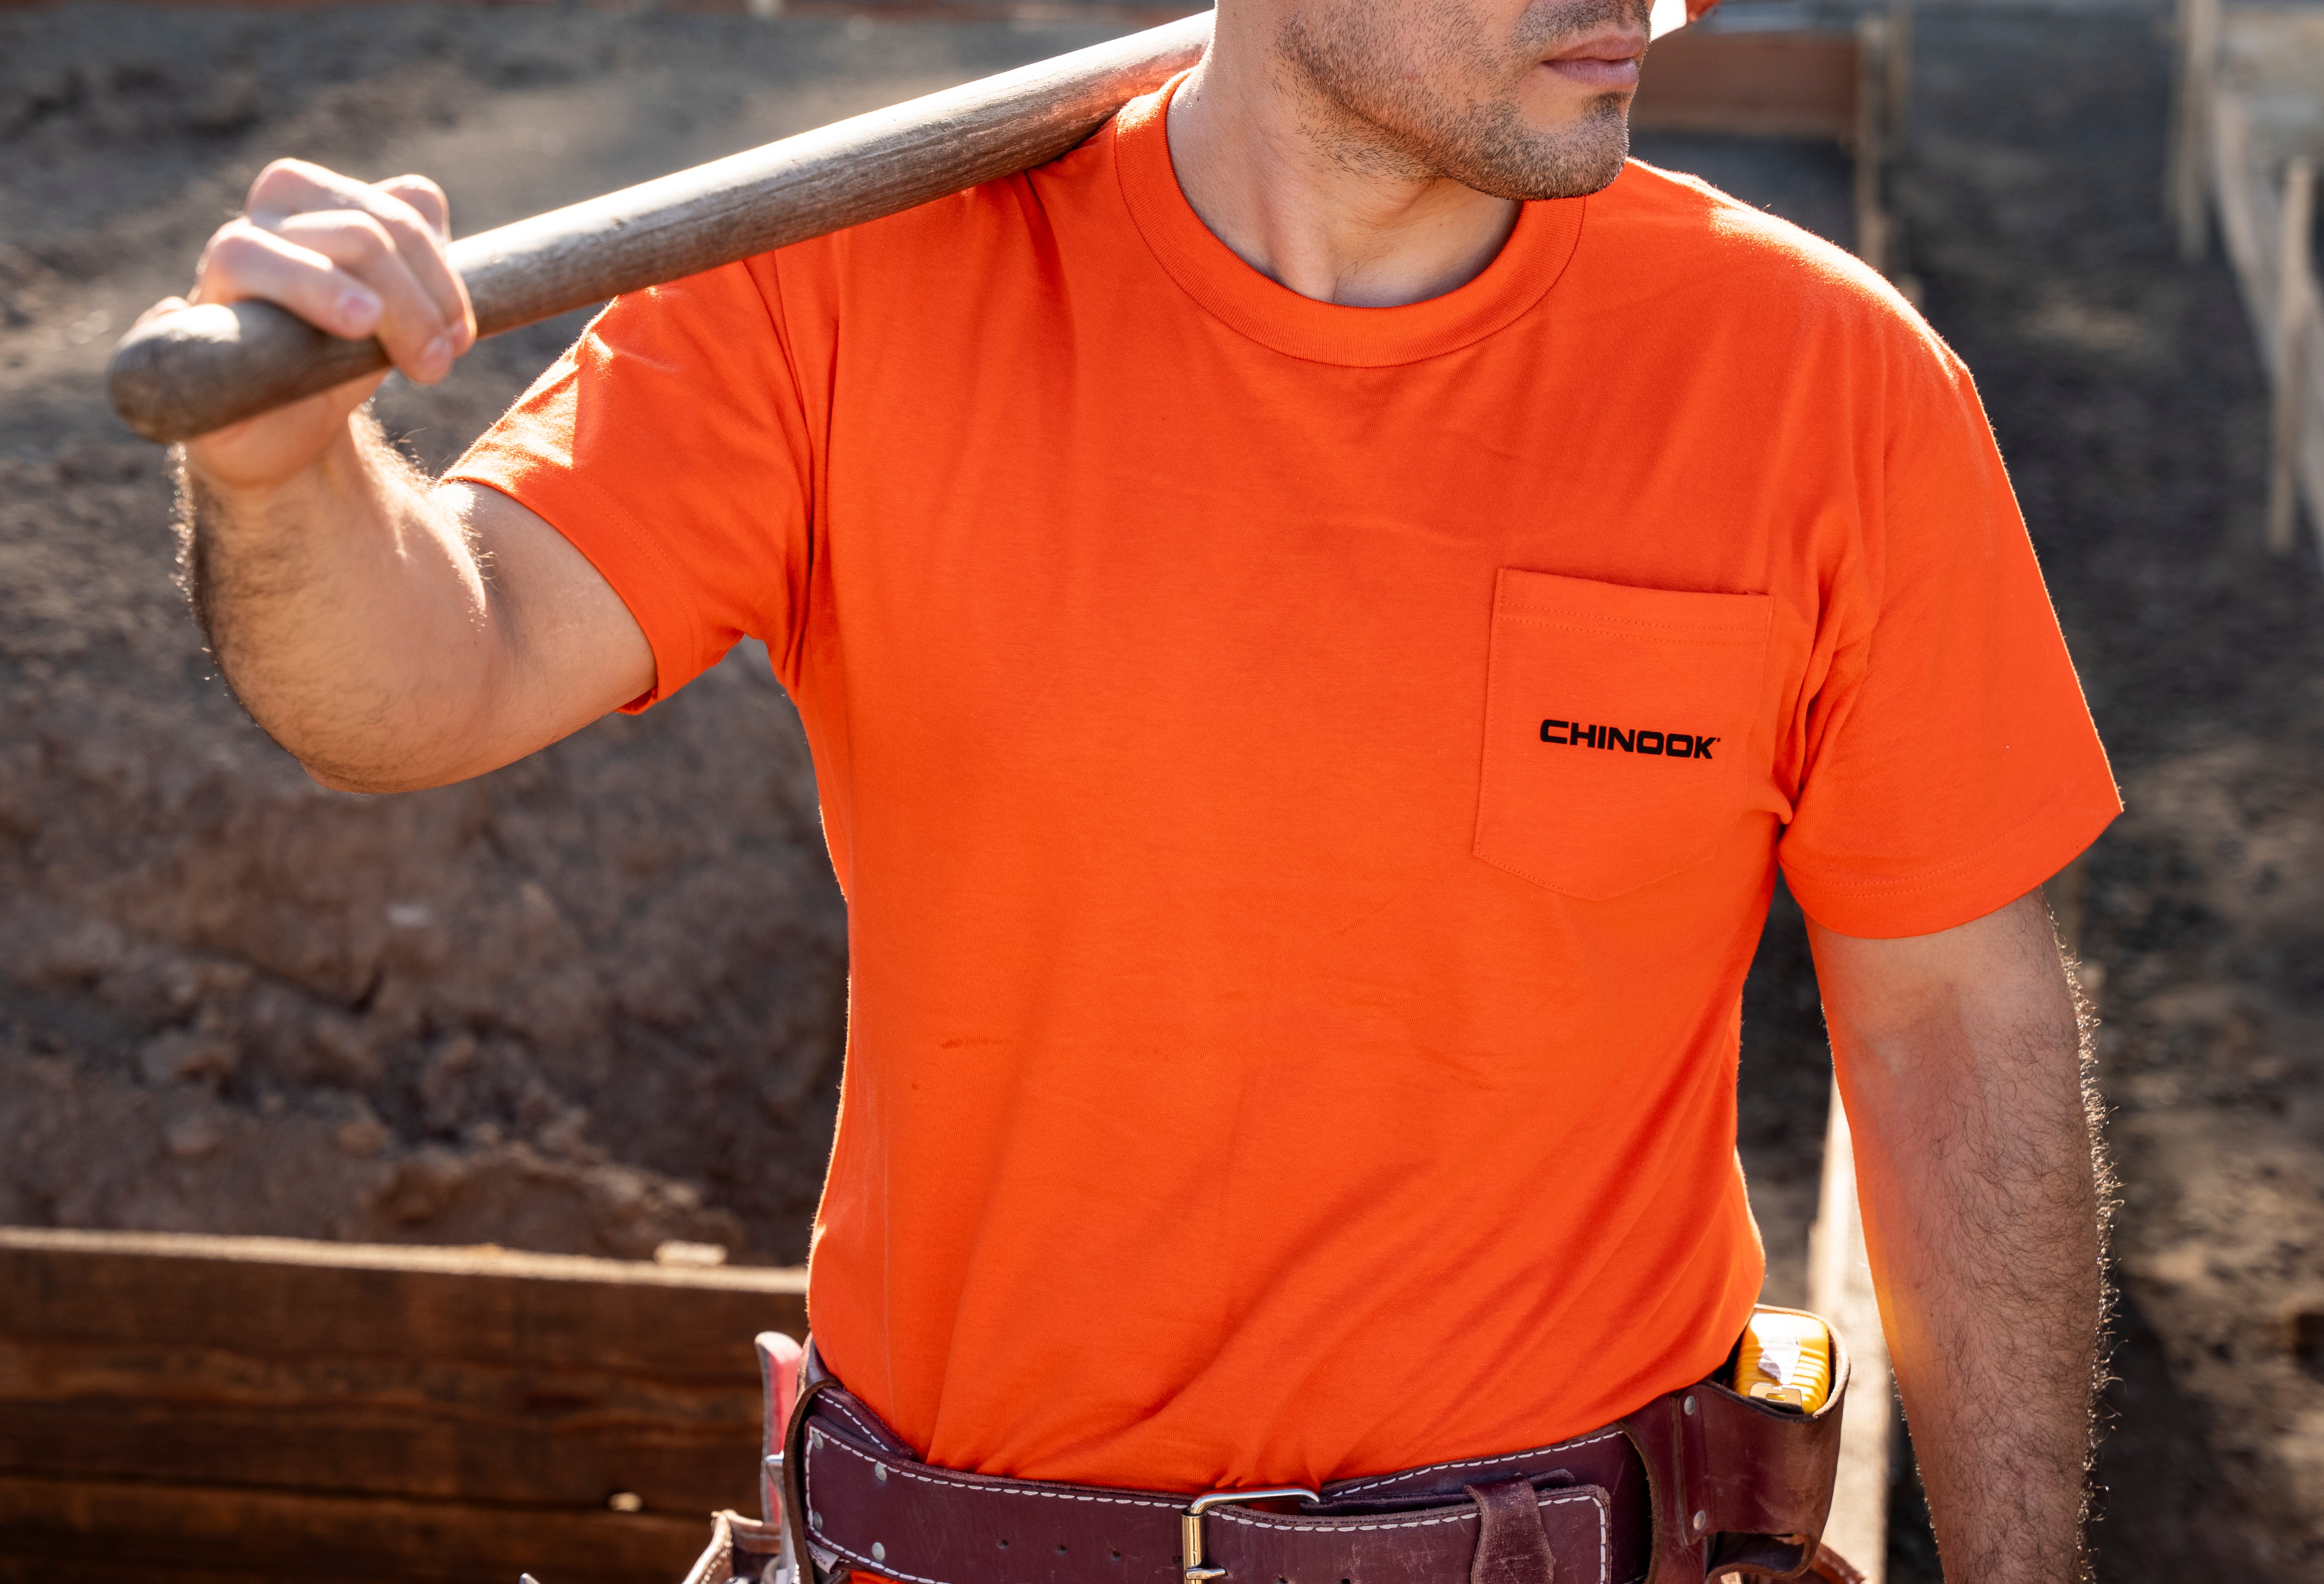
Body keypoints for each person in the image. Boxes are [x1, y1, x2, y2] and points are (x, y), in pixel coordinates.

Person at [147, 0, 2119, 1580]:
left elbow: (1957, 1020)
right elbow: (418, 684)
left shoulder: (1821, 388)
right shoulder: (847, 290)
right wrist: (291, 477)